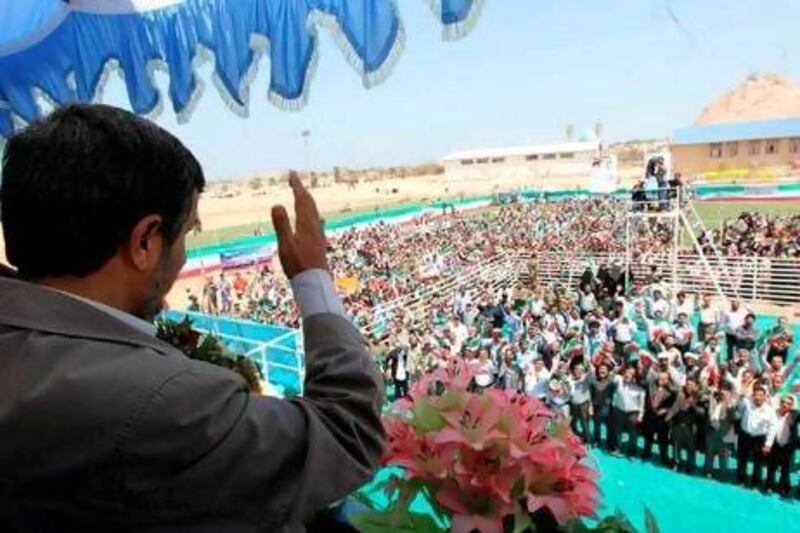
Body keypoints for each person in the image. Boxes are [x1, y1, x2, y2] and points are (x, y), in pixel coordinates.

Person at [0, 105, 385, 529]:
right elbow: (347, 434)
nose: (183, 252)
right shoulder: (162, 400)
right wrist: (313, 277)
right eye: (188, 231)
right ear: (145, 241)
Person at [736, 385, 777, 488]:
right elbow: (738, 408)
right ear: (752, 396)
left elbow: (772, 428)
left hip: (759, 438)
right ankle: (741, 479)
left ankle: (755, 482)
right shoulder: (746, 404)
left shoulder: (770, 410)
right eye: (755, 395)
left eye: (760, 395)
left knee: (758, 462)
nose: (757, 397)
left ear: (765, 397)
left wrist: (768, 444)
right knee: (742, 459)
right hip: (745, 435)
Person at [666, 377, 705, 473]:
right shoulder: (680, 395)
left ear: (695, 386)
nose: (688, 386)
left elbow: (702, 412)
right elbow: (674, 408)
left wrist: (694, 405)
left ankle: (690, 466)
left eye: (691, 385)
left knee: (691, 448)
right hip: (678, 424)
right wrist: (668, 419)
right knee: (676, 445)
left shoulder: (699, 397)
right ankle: (676, 463)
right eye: (687, 384)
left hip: (691, 427)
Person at [609, 364, 646, 457]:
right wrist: (614, 370)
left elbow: (642, 404)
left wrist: (641, 415)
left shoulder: (640, 388)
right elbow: (610, 377)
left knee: (632, 433)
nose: (628, 375)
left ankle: (632, 452)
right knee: (618, 431)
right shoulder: (618, 379)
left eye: (631, 373)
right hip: (619, 410)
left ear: (634, 376)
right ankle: (618, 449)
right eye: (627, 372)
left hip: (633, 413)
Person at [703, 382, 738, 479]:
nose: (723, 392)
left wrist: (728, 401)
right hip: (712, 433)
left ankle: (722, 475)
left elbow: (733, 416)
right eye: (721, 389)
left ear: (730, 392)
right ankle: (708, 471)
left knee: (723, 457)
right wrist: (710, 393)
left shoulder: (732, 404)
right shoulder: (713, 400)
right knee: (709, 454)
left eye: (725, 390)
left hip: (725, 435)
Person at [766, 396, 798, 497]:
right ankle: (769, 485)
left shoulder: (794, 415)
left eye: (788, 404)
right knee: (771, 467)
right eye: (783, 402)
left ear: (791, 406)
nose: (785, 405)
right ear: (780, 403)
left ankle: (783, 488)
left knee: (785, 469)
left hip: (788, 446)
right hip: (775, 444)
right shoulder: (774, 414)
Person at [642, 371, 676, 465]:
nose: (662, 380)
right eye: (660, 378)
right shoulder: (652, 387)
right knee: (648, 435)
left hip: (662, 418)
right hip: (650, 415)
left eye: (664, 379)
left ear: (668, 380)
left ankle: (664, 457)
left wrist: (665, 410)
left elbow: (674, 405)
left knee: (663, 439)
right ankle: (646, 452)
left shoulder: (672, 392)